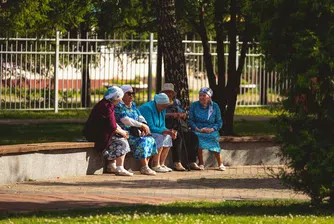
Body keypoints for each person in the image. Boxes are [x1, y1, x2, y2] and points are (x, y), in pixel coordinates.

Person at [83, 86, 133, 176]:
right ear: (116, 97)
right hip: (97, 135)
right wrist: (123, 133)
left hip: (96, 133)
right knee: (122, 141)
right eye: (120, 97)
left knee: (119, 136)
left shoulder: (106, 104)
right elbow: (112, 126)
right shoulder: (107, 106)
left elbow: (112, 122)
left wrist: (121, 131)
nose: (121, 100)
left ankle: (112, 165)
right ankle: (119, 168)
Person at [115, 85, 158, 175]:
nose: (131, 96)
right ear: (122, 95)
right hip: (125, 133)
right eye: (129, 94)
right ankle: (144, 166)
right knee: (142, 141)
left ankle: (146, 165)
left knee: (150, 139)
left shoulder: (133, 105)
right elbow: (125, 120)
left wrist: (144, 125)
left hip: (135, 132)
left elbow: (140, 116)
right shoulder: (119, 106)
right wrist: (141, 125)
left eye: (132, 93)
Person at [161, 83, 201, 171]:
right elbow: (159, 114)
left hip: (178, 124)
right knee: (177, 137)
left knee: (193, 136)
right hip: (166, 125)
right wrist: (171, 115)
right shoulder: (159, 101)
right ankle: (177, 162)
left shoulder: (176, 102)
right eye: (166, 92)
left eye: (170, 92)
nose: (169, 94)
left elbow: (182, 112)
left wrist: (182, 114)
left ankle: (191, 161)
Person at [188, 87, 226, 171]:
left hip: (211, 129)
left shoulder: (215, 106)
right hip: (198, 129)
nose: (201, 97)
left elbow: (219, 122)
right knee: (196, 137)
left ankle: (220, 163)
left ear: (209, 97)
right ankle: (201, 163)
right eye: (200, 95)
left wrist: (212, 129)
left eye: (204, 95)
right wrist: (197, 129)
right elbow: (190, 120)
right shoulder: (194, 105)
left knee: (213, 137)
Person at [138, 93, 177, 173]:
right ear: (158, 103)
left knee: (168, 136)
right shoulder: (147, 108)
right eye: (163, 106)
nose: (164, 109)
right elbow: (150, 127)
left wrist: (169, 131)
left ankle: (161, 164)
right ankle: (155, 164)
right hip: (144, 132)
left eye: (166, 106)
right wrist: (165, 131)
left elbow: (162, 125)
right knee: (159, 136)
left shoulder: (162, 108)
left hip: (156, 131)